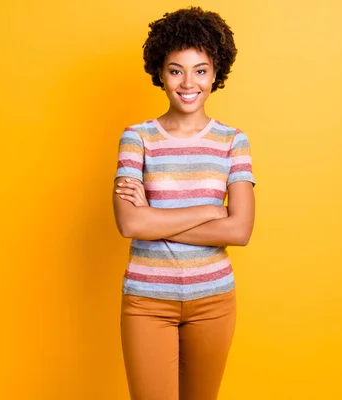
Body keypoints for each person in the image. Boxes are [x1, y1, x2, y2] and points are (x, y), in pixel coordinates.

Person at [112, 6, 256, 400]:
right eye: (176, 70)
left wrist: (155, 217)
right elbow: (130, 224)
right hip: (146, 301)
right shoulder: (136, 138)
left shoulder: (232, 141)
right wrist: (211, 211)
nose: (188, 82)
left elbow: (239, 230)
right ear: (160, 72)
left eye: (201, 70)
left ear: (216, 75)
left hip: (214, 301)